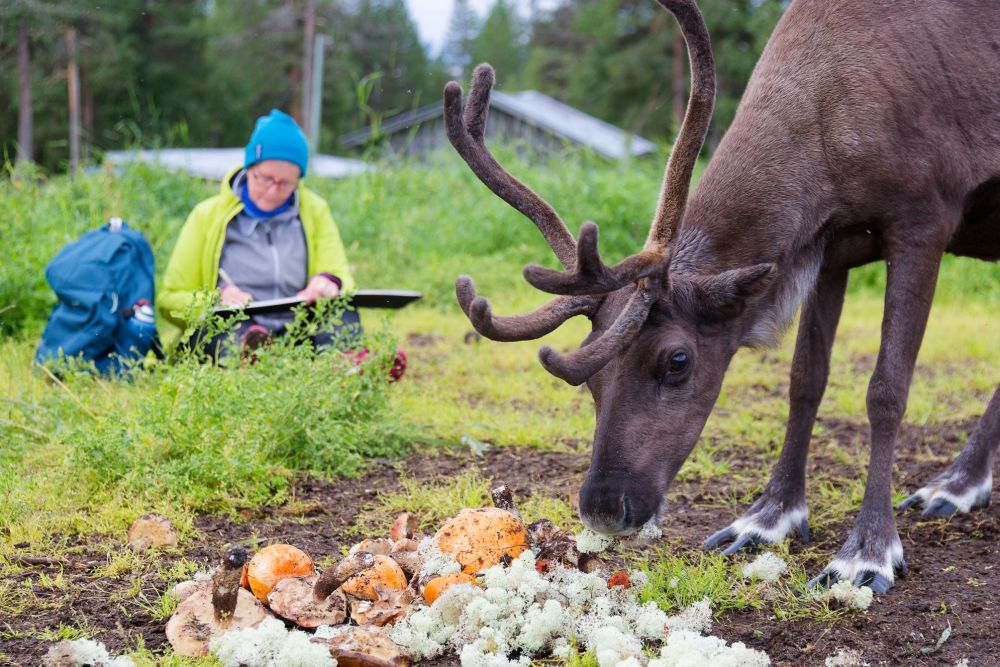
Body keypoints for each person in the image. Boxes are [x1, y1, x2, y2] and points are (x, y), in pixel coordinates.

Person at [158, 109, 404, 378]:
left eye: (286, 184)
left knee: (341, 308)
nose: (273, 191)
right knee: (217, 326)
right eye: (265, 179)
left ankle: (351, 368)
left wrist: (328, 281)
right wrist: (216, 298)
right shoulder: (206, 216)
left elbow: (340, 274)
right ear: (249, 168)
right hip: (236, 326)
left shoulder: (315, 210)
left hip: (297, 328)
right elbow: (170, 299)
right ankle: (254, 357)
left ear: (299, 181)